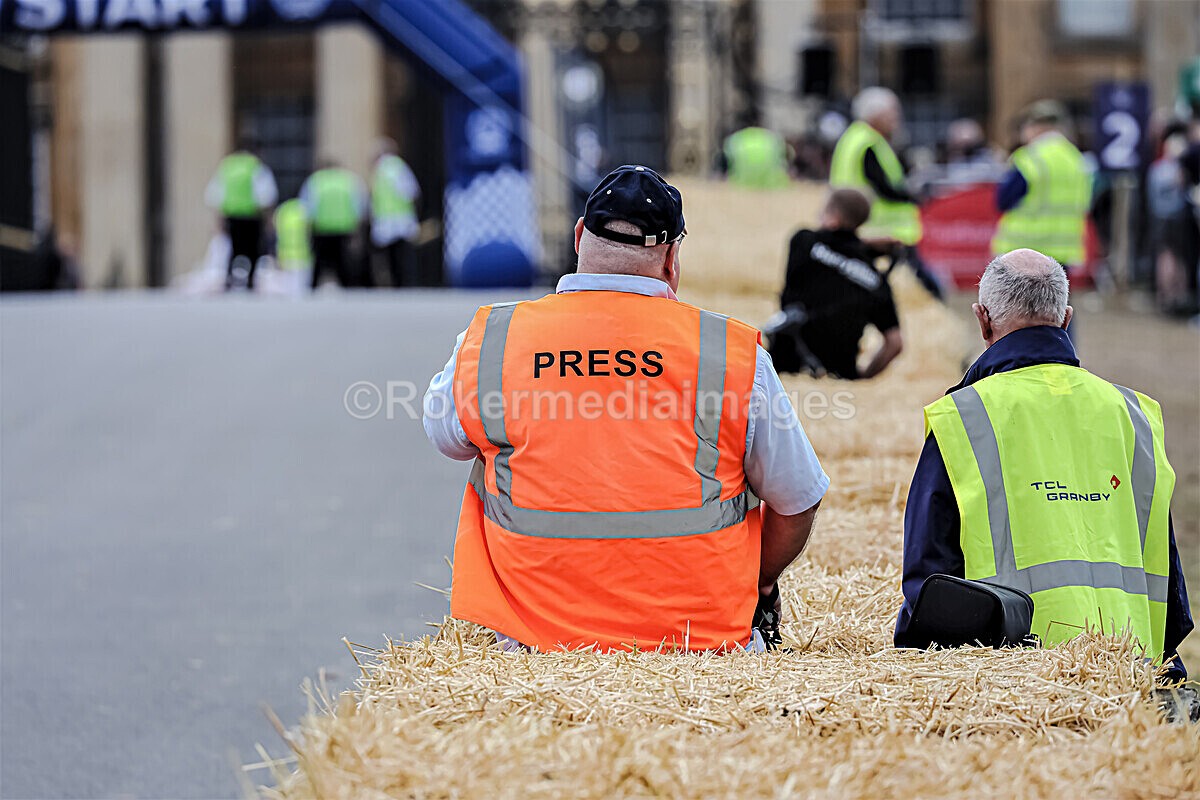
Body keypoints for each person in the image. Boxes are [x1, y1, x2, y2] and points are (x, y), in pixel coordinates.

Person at [423, 165, 829, 653]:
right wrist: (759, 584)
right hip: (701, 647)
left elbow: (446, 436)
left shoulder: (494, 339)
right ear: (672, 257)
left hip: (535, 648)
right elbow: (798, 496)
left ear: (579, 238)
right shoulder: (729, 352)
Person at [895, 249, 1192, 681]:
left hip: (1014, 686)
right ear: (1067, 319)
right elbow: (1168, 578)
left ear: (982, 320)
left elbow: (929, 580)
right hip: (1131, 673)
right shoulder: (1135, 415)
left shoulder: (964, 417)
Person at [768, 188, 903, 380]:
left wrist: (865, 245)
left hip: (785, 369)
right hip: (838, 375)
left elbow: (835, 245)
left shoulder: (803, 242)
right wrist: (863, 378)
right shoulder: (876, 282)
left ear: (834, 218)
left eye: (822, 211)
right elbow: (895, 343)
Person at [830, 87, 942, 299]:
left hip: (860, 226)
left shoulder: (854, 137)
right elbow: (882, 187)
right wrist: (914, 198)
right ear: (876, 114)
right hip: (884, 230)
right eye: (892, 112)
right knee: (922, 286)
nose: (896, 118)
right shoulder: (869, 142)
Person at [992, 101, 1092, 274]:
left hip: (1023, 252)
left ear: (1036, 126)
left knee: (1018, 301)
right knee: (1055, 300)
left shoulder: (1031, 158)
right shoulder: (1076, 159)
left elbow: (1003, 200)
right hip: (1062, 251)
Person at [205, 138, 278, 290]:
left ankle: (230, 278)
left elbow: (215, 193)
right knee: (253, 249)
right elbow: (265, 194)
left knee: (234, 248)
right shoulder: (255, 166)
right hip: (252, 215)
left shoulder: (227, 166)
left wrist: (219, 218)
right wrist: (268, 218)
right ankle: (250, 279)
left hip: (231, 215)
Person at [300, 160, 368, 289]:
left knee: (319, 263)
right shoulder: (349, 181)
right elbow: (359, 206)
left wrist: (308, 228)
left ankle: (313, 288)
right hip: (344, 228)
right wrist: (358, 228)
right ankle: (348, 288)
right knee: (344, 263)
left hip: (322, 228)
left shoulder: (315, 181)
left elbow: (307, 208)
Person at [370, 138, 422, 287]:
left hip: (387, 219)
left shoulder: (381, 169)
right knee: (403, 256)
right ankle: (407, 283)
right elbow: (412, 192)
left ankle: (397, 284)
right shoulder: (398, 167)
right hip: (401, 217)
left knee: (392, 257)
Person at [723, 124, 791, 189]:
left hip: (741, 185)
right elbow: (784, 161)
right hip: (770, 185)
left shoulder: (734, 140)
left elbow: (727, 164)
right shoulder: (774, 140)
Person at [272, 198, 313, 295]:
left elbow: (276, 234)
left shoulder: (282, 211)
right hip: (302, 256)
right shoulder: (303, 211)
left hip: (286, 255)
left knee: (289, 291)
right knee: (301, 292)